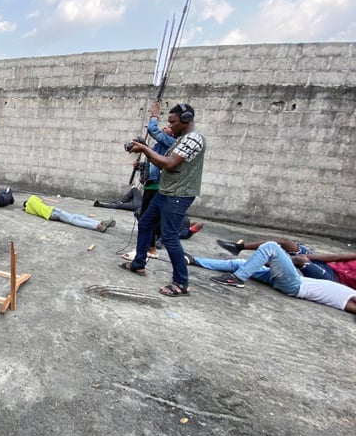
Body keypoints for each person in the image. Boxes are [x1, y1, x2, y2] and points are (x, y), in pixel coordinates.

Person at [118, 103, 206, 297]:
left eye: (173, 122)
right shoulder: (181, 139)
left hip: (178, 195)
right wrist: (144, 155)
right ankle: (139, 263)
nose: (171, 125)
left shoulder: (193, 138)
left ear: (186, 119)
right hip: (165, 192)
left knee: (169, 236)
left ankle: (181, 283)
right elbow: (161, 162)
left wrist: (144, 148)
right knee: (145, 222)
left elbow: (170, 163)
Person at [186, 242, 356, 314]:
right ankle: (194, 260)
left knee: (271, 247)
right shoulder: (350, 295)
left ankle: (237, 278)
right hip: (293, 281)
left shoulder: (349, 300)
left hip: (295, 285)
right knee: (241, 263)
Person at [213, 237, 356, 288]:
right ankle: (238, 247)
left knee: (300, 260)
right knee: (286, 242)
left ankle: (250, 267)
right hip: (329, 266)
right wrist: (311, 256)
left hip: (333, 280)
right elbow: (338, 257)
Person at [24, 195, 116, 232]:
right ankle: (97, 226)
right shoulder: (31, 198)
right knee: (72, 220)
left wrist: (25, 208)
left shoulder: (28, 209)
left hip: (50, 215)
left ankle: (101, 223)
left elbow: (26, 209)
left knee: (77, 216)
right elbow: (41, 201)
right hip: (52, 211)